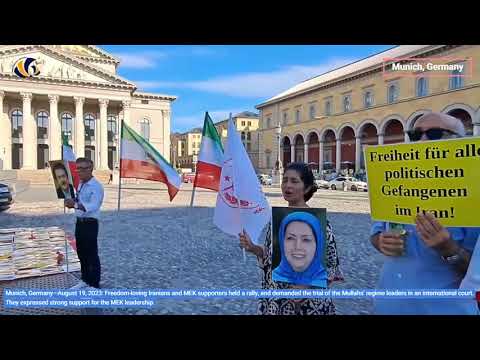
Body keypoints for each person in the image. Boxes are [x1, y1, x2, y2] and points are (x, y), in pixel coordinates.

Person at [370, 112, 480, 315]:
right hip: (386, 305)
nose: (422, 140)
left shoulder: (475, 197)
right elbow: (376, 232)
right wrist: (380, 241)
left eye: (435, 134)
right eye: (415, 134)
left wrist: (449, 249)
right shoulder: (396, 185)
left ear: (461, 142)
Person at [239, 162, 343, 315]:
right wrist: (254, 248)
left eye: (294, 181)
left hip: (310, 306)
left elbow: (332, 266)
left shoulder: (321, 223)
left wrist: (307, 285)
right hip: (276, 302)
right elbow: (270, 257)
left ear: (306, 188)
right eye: (285, 180)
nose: (287, 185)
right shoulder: (277, 220)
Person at [65, 158, 104, 289]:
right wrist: (71, 199)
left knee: (91, 254)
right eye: (78, 168)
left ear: (90, 169)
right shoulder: (81, 184)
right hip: (80, 222)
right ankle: (85, 279)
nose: (80, 171)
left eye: (83, 168)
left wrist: (74, 204)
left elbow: (93, 205)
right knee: (81, 252)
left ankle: (94, 283)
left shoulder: (96, 186)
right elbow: (79, 199)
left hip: (90, 223)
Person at [273, 212, 327, 288]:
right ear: (282, 242)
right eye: (291, 238)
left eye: (306, 240)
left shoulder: (328, 281)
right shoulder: (272, 278)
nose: (297, 246)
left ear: (317, 245)